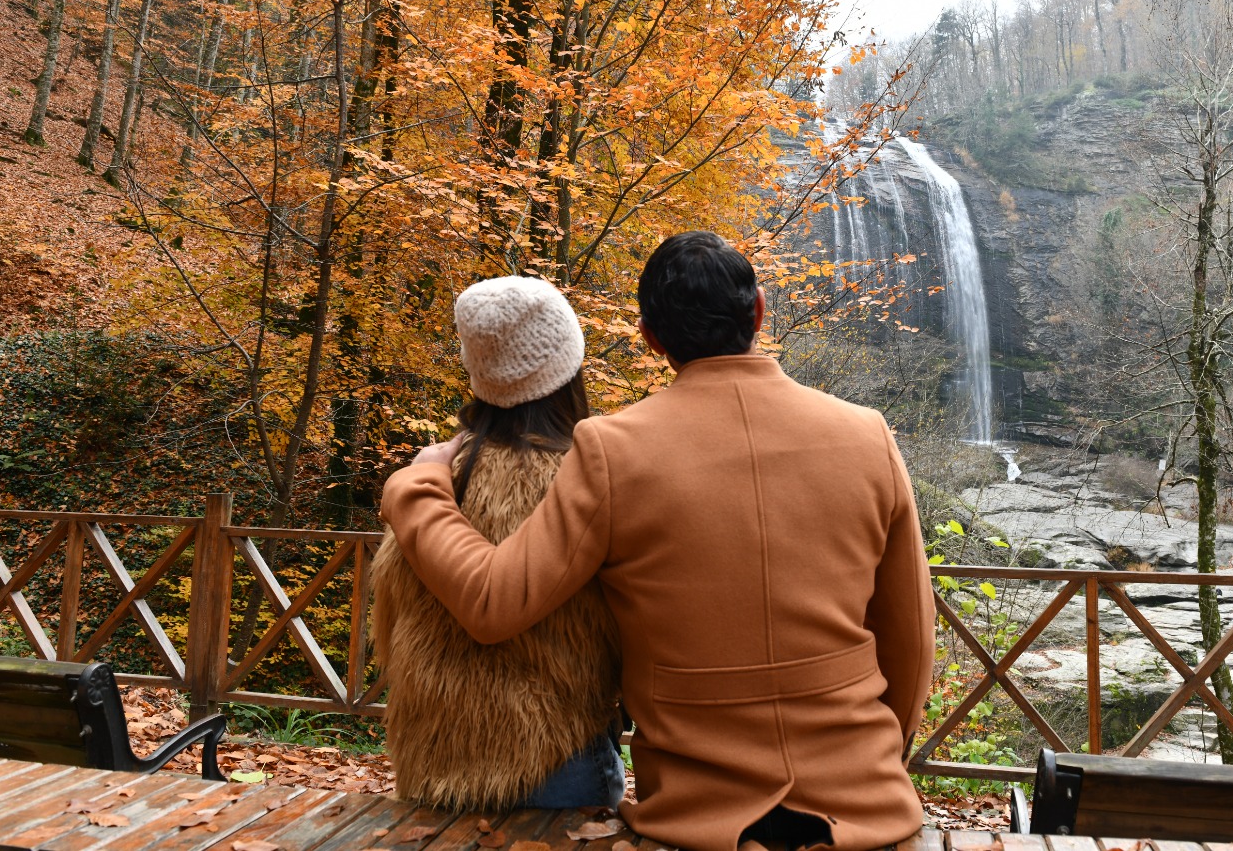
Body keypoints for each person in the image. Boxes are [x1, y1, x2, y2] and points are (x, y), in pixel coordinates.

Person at [382, 232, 934, 851]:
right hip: (868, 802)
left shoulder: (612, 450)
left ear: (650, 336)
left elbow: (492, 603)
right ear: (758, 314)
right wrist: (887, 755)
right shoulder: (867, 435)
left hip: (702, 817)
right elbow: (911, 638)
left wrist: (416, 485)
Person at [371, 276, 624, 810]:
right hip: (556, 756)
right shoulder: (589, 478)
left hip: (433, 758)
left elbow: (390, 616)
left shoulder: (433, 476)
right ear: (570, 363)